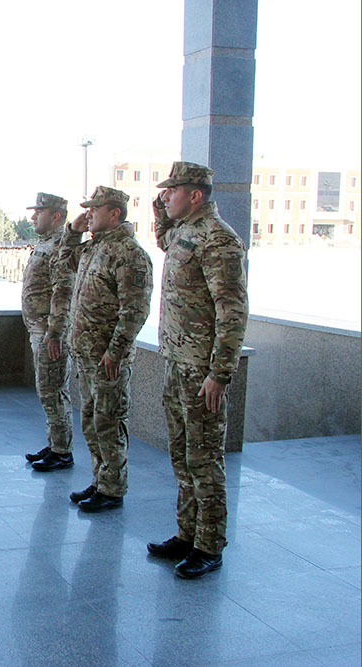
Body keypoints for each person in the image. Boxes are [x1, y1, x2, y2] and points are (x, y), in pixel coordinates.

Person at [147, 162, 249, 579]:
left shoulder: (219, 239)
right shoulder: (185, 232)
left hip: (202, 370)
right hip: (176, 363)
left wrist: (220, 372)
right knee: (181, 454)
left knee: (204, 459)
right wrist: (159, 208)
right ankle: (187, 534)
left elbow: (233, 311)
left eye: (173, 191)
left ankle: (209, 544)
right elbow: (163, 238)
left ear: (196, 195)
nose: (167, 195)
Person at [59, 186, 152, 513]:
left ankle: (112, 489)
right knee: (91, 422)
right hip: (86, 355)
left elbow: (135, 310)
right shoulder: (94, 248)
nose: (89, 214)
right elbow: (63, 262)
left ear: (114, 214)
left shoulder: (129, 253)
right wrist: (73, 231)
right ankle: (101, 479)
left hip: (107, 359)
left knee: (109, 423)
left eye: (95, 210)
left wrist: (115, 352)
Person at [20, 193, 76, 471]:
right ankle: (56, 443)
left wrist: (55, 333)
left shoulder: (60, 246)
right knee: (48, 390)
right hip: (39, 329)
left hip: (48, 332)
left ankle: (62, 451)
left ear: (55, 216)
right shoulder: (47, 243)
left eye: (38, 212)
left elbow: (63, 294)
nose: (33, 217)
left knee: (52, 391)